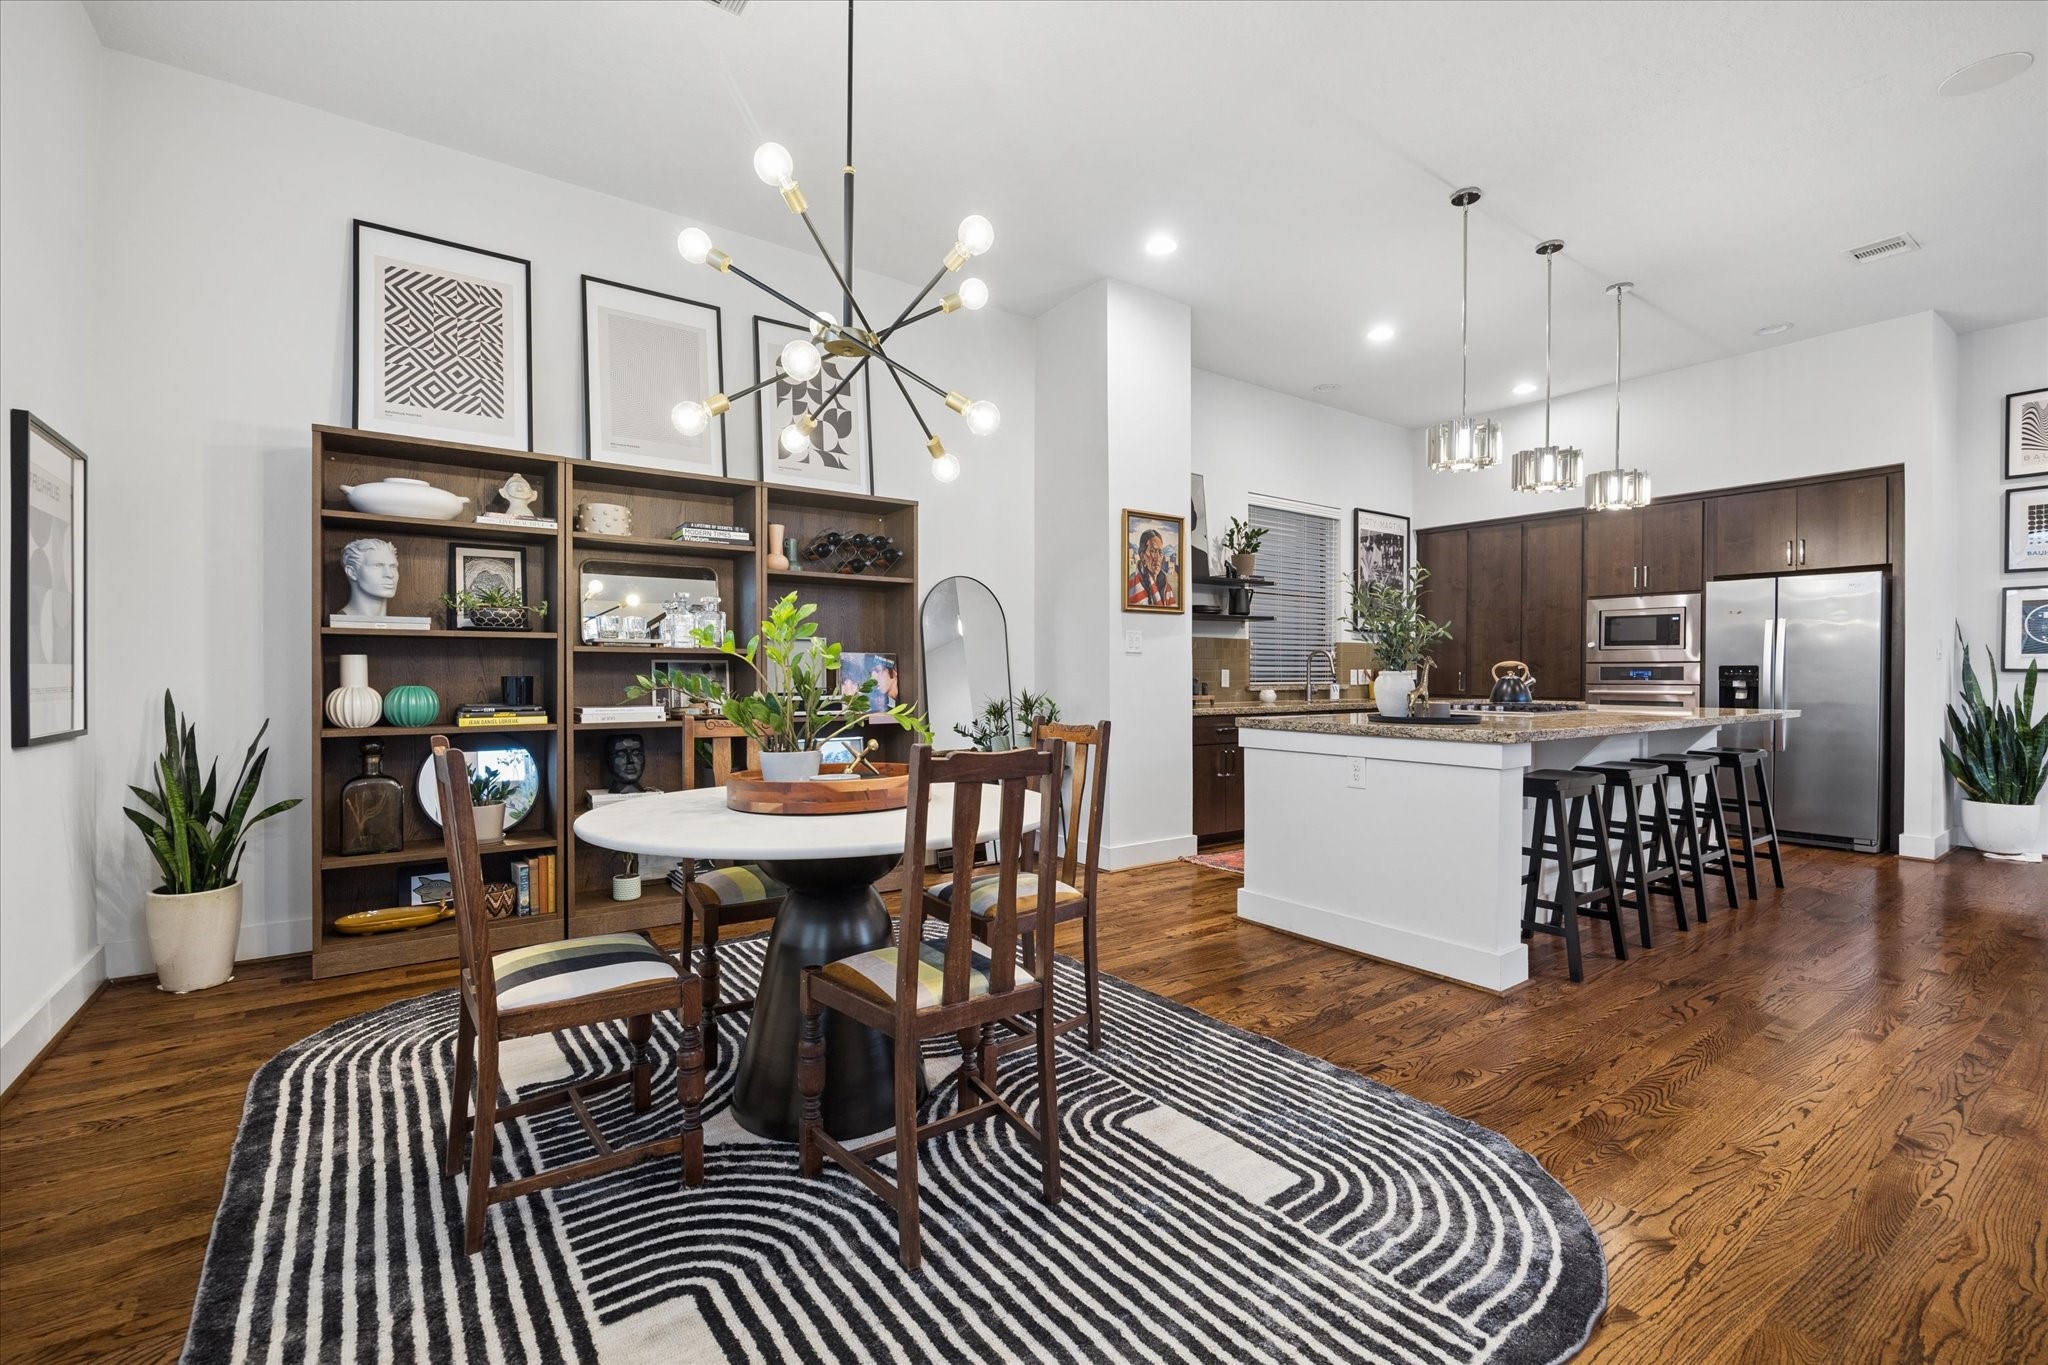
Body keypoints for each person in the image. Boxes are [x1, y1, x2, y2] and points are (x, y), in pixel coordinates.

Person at [338, 538, 400, 617]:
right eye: (377, 566)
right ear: (352, 572)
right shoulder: (343, 622)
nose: (390, 575)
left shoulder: (395, 626)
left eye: (393, 566)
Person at [1127, 528, 1178, 609]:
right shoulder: (1131, 585)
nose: (1157, 558)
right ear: (1142, 556)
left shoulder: (1166, 586)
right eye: (1153, 551)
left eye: (1160, 552)